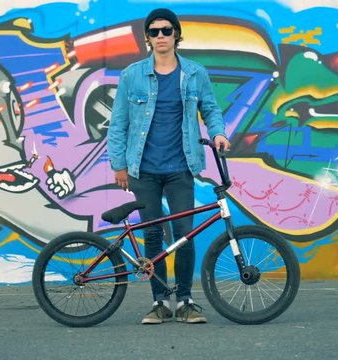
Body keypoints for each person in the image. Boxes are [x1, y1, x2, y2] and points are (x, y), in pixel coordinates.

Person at [107, 8, 230, 324]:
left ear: (177, 34)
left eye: (166, 30)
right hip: (143, 170)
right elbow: (118, 123)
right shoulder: (132, 75)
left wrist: (218, 133)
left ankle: (186, 300)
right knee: (151, 236)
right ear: (147, 38)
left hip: (180, 168)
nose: (160, 36)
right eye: (154, 31)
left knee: (184, 234)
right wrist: (119, 165)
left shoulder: (194, 74)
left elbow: (211, 109)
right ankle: (160, 302)